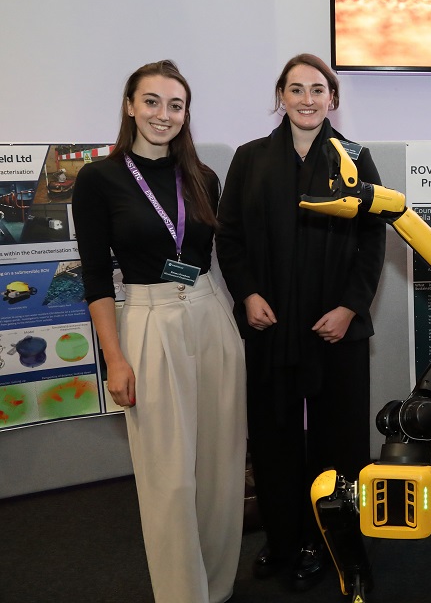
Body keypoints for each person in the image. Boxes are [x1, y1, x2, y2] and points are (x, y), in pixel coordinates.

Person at [73, 60, 246, 603]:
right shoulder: (99, 179)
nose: (163, 115)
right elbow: (97, 276)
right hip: (148, 322)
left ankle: (216, 588)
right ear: (130, 106)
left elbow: (214, 255)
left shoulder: (203, 178)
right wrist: (115, 359)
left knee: (221, 472)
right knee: (169, 478)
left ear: (186, 113)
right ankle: (181, 594)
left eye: (175, 105)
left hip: (209, 314)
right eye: (151, 102)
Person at [216, 53, 386, 592]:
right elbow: (230, 236)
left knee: (339, 441)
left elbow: (373, 240)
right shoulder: (249, 159)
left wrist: (350, 307)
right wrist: (247, 294)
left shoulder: (356, 159)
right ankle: (285, 538)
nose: (307, 99)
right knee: (274, 437)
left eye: (318, 89)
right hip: (271, 326)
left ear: (333, 99)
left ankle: (332, 540)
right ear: (281, 97)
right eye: (296, 89)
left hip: (336, 330)